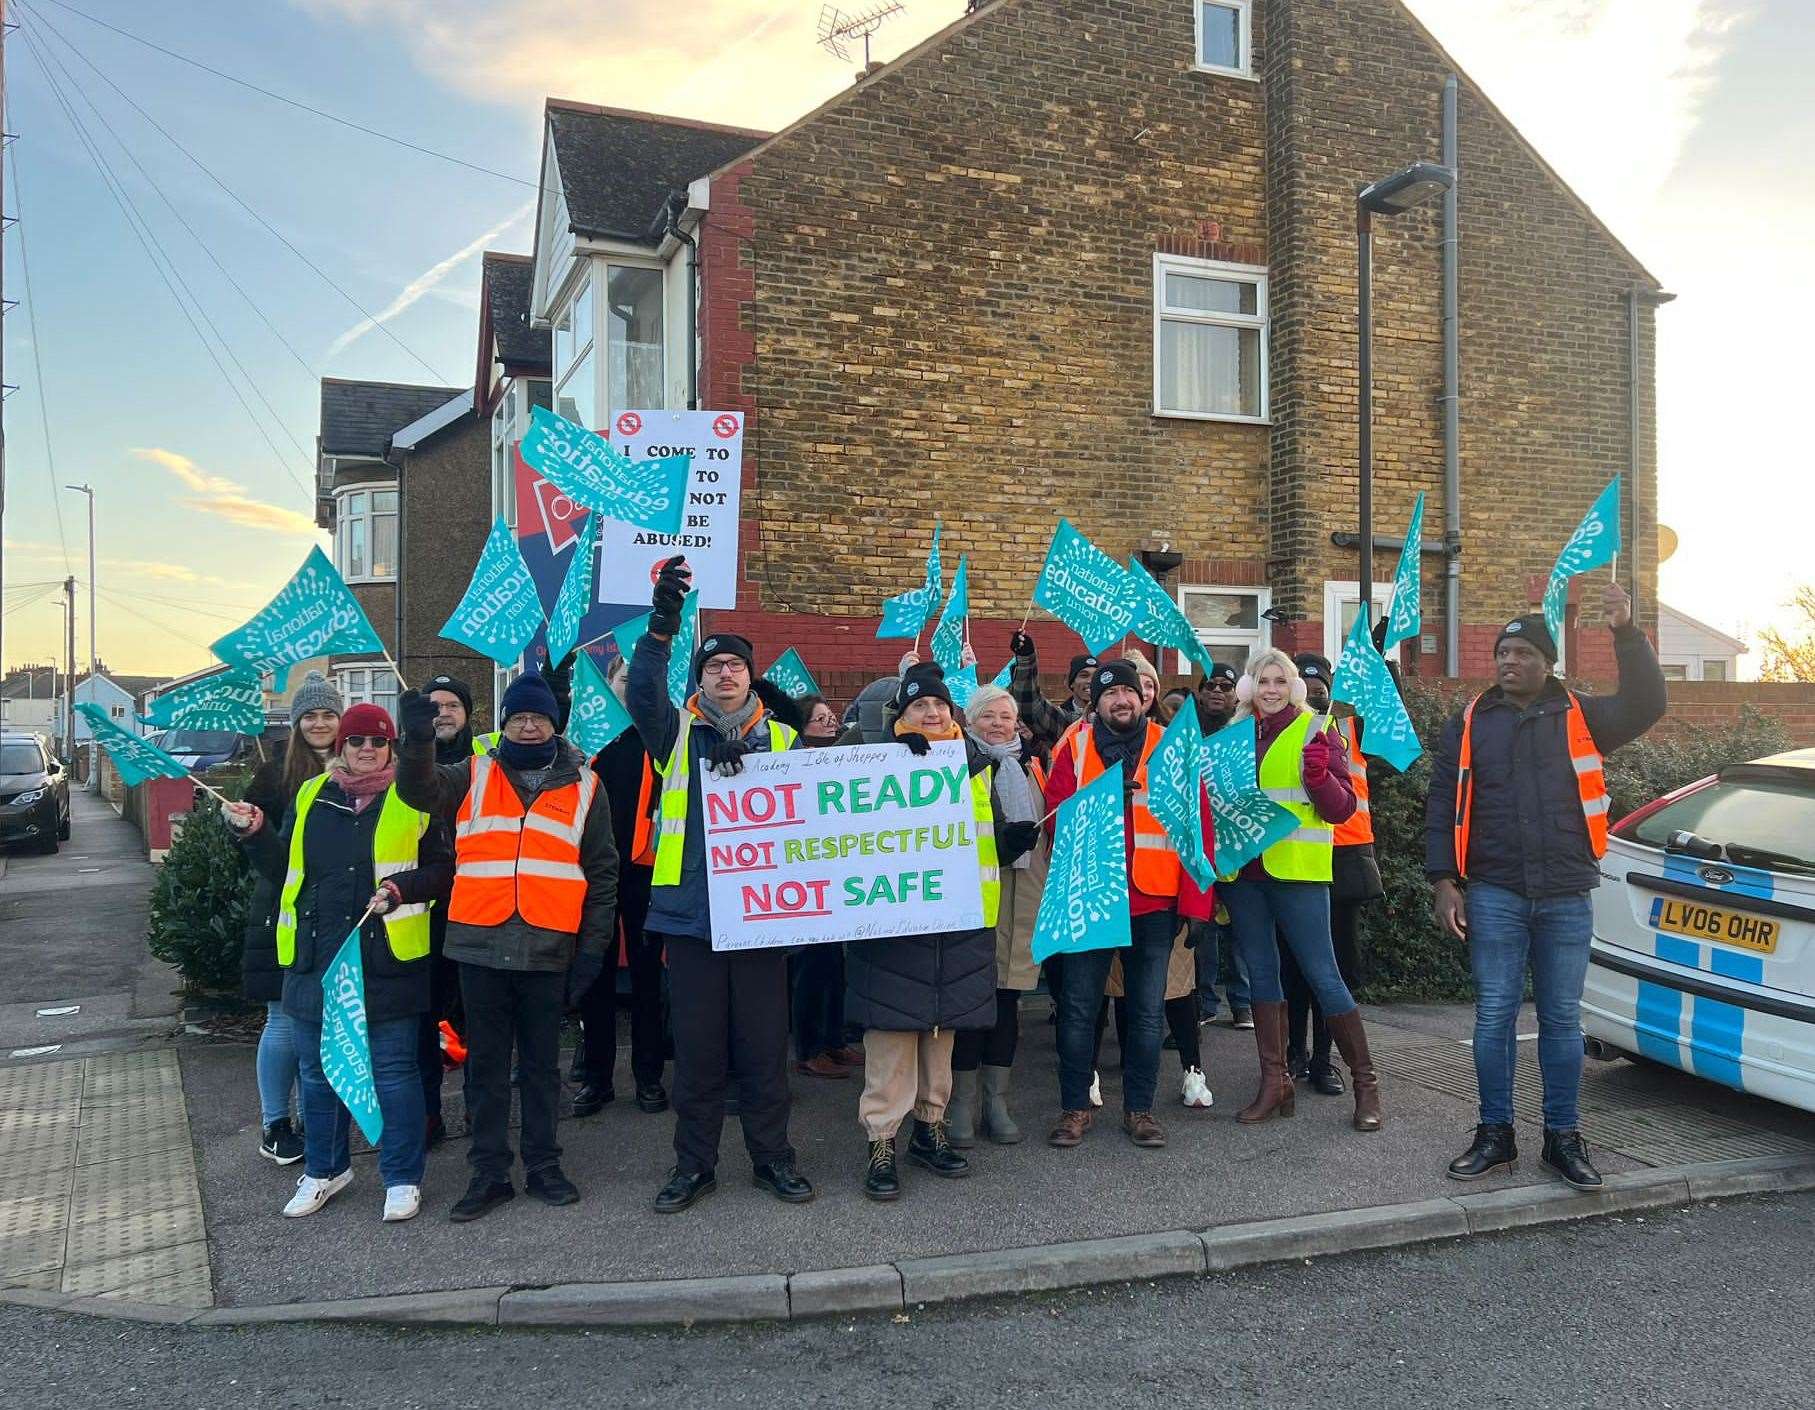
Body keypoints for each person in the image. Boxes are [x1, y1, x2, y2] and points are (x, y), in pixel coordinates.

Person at [1428, 582, 1665, 1190]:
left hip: (1565, 891)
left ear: (1547, 663)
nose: (1509, 662)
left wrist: (1627, 634)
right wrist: (1443, 880)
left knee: (1561, 1021)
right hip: (1495, 889)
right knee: (1493, 1018)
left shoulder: (1581, 714)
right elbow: (1442, 802)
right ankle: (1495, 1135)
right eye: (1503, 653)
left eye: (1522, 653)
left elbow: (1646, 703)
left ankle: (1562, 1138)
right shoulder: (1471, 720)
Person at [626, 556, 815, 1213]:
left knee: (764, 1054)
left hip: (764, 919)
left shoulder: (787, 740)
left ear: (749, 674)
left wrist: (916, 754)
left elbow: (845, 809)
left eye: (734, 665)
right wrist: (661, 625)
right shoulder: (675, 733)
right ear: (700, 678)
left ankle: (774, 1161)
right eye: (713, 667)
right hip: (692, 918)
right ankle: (693, 1166)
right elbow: (643, 692)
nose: (725, 674)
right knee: (700, 1059)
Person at [396, 671, 617, 1222]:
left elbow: (602, 872)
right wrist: (418, 739)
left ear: (553, 723)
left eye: (536, 717)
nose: (526, 725)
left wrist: (592, 952)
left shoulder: (588, 783)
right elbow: (416, 790)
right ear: (504, 723)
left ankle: (543, 1165)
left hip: (548, 945)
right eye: (517, 716)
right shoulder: (471, 770)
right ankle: (488, 1173)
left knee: (543, 1068)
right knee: (485, 1069)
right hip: (479, 944)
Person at [223, 704, 451, 1223]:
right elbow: (287, 869)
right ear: (340, 748)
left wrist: (401, 888)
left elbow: (443, 870)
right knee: (318, 1073)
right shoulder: (309, 794)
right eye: (355, 742)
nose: (365, 750)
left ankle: (401, 1177)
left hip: (387, 958)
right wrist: (257, 834)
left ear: (392, 746)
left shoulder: (416, 797)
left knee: (394, 1073)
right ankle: (325, 1170)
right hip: (314, 959)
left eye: (377, 741)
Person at [845, 665, 1033, 1199]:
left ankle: (930, 1130)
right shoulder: (869, 756)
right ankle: (881, 1141)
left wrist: (1006, 842)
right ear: (900, 715)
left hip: (959, 922)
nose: (931, 714)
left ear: (952, 713)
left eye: (939, 705)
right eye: (918, 706)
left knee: (940, 1034)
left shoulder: (977, 767)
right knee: (890, 1038)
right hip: (892, 924)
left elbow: (981, 838)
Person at [1043, 660, 1214, 1150]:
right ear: (1093, 703)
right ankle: (1075, 1107)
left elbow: (1198, 824)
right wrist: (1096, 803)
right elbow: (1052, 819)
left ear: (1143, 697)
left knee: (1144, 1014)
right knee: (1078, 1009)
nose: (1121, 699)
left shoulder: (1172, 745)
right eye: (1109, 693)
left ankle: (1139, 1110)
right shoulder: (1074, 747)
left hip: (1153, 901)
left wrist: (1198, 902)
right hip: (1089, 898)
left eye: (1129, 691)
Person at [1221, 649, 1382, 1133]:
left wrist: (1317, 776)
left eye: (1278, 681)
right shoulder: (1233, 735)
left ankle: (1365, 1083)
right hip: (1245, 876)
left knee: (1323, 975)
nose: (1269, 690)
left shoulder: (1317, 729)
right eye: (1261, 681)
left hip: (1298, 872)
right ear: (1249, 688)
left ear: (1292, 686)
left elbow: (1341, 809)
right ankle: (1276, 1083)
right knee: (1263, 981)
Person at [239, 671, 342, 1165]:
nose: (319, 723)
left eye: (328, 713)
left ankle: (313, 1117)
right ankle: (274, 1124)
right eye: (311, 715)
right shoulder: (276, 772)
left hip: (337, 912)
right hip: (282, 911)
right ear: (297, 722)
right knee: (282, 1020)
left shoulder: (358, 764)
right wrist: (250, 831)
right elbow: (258, 851)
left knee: (322, 1022)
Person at [1278, 652, 1384, 1099]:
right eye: (1304, 683)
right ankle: (1292, 1055)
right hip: (1293, 862)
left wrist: (1383, 663)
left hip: (1342, 862)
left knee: (1333, 969)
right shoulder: (1279, 732)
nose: (1313, 690)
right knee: (1292, 970)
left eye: (1319, 683)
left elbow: (1387, 717)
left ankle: (1325, 1060)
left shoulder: (1351, 729)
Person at [946, 684, 1045, 1147]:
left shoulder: (1031, 766)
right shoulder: (959, 766)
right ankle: (961, 1104)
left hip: (1022, 899)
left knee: (1008, 1001)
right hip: (976, 898)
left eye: (1006, 716)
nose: (999, 723)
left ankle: (996, 1100)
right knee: (971, 1002)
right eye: (989, 716)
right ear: (970, 722)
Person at [576, 655, 669, 1118]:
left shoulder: (663, 738)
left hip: (645, 873)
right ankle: (596, 1078)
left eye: (639, 682)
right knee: (595, 978)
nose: (630, 689)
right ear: (609, 684)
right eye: (624, 679)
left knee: (649, 982)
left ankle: (649, 1078)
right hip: (590, 877)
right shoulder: (583, 742)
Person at [418, 673, 479, 1145]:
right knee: (425, 1017)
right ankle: (427, 1113)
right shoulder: (405, 766)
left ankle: (481, 1112)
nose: (442, 712)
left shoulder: (489, 761)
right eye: (432, 704)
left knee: (480, 1018)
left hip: (480, 907)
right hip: (422, 912)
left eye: (452, 704)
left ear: (467, 713)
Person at [1191, 663, 1252, 1031]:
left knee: (1242, 931)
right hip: (1200, 846)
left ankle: (1242, 1003)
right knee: (1203, 931)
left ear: (1236, 695)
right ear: (1199, 693)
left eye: (1225, 686)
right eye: (1210, 685)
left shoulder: (1247, 731)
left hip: (1238, 845)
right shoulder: (1188, 732)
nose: (1217, 691)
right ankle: (1205, 1000)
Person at [1008, 628, 1097, 741]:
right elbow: (1031, 708)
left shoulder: (1112, 718)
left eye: (1096, 677)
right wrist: (1026, 658)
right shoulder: (1065, 722)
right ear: (1071, 683)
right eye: (1084, 675)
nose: (1090, 681)